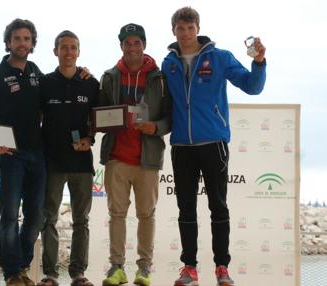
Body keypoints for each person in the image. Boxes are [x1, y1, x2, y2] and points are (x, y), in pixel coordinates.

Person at [161, 7, 267, 286]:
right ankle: (189, 268)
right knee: (186, 208)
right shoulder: (168, 63)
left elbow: (252, 87)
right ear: (173, 30)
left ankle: (222, 267)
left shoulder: (219, 58)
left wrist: (259, 61)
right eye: (180, 29)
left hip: (214, 143)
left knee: (218, 206)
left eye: (190, 28)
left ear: (198, 29)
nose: (185, 34)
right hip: (182, 145)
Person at [98, 23, 171, 286]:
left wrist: (156, 127)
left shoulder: (160, 78)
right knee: (116, 215)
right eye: (127, 43)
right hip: (117, 157)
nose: (131, 47)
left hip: (147, 158)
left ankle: (145, 268)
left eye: (136, 42)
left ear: (144, 45)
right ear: (121, 46)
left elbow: (170, 118)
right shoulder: (109, 76)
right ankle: (116, 268)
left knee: (146, 215)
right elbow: (99, 113)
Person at [0, 18, 45, 286]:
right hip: (10, 156)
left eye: (26, 39)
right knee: (8, 216)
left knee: (36, 216)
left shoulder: (36, 71)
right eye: (17, 38)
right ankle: (11, 274)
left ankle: (23, 267)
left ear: (32, 44)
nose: (22, 43)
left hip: (38, 154)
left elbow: (42, 111)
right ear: (8, 43)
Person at [37, 30, 99, 286]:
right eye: (64, 47)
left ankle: (78, 274)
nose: (69, 52)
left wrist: (90, 139)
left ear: (79, 52)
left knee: (81, 220)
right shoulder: (44, 83)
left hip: (82, 164)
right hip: (51, 162)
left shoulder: (91, 83)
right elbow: (34, 118)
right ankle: (50, 274)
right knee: (48, 218)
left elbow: (97, 120)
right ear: (55, 51)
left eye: (73, 47)